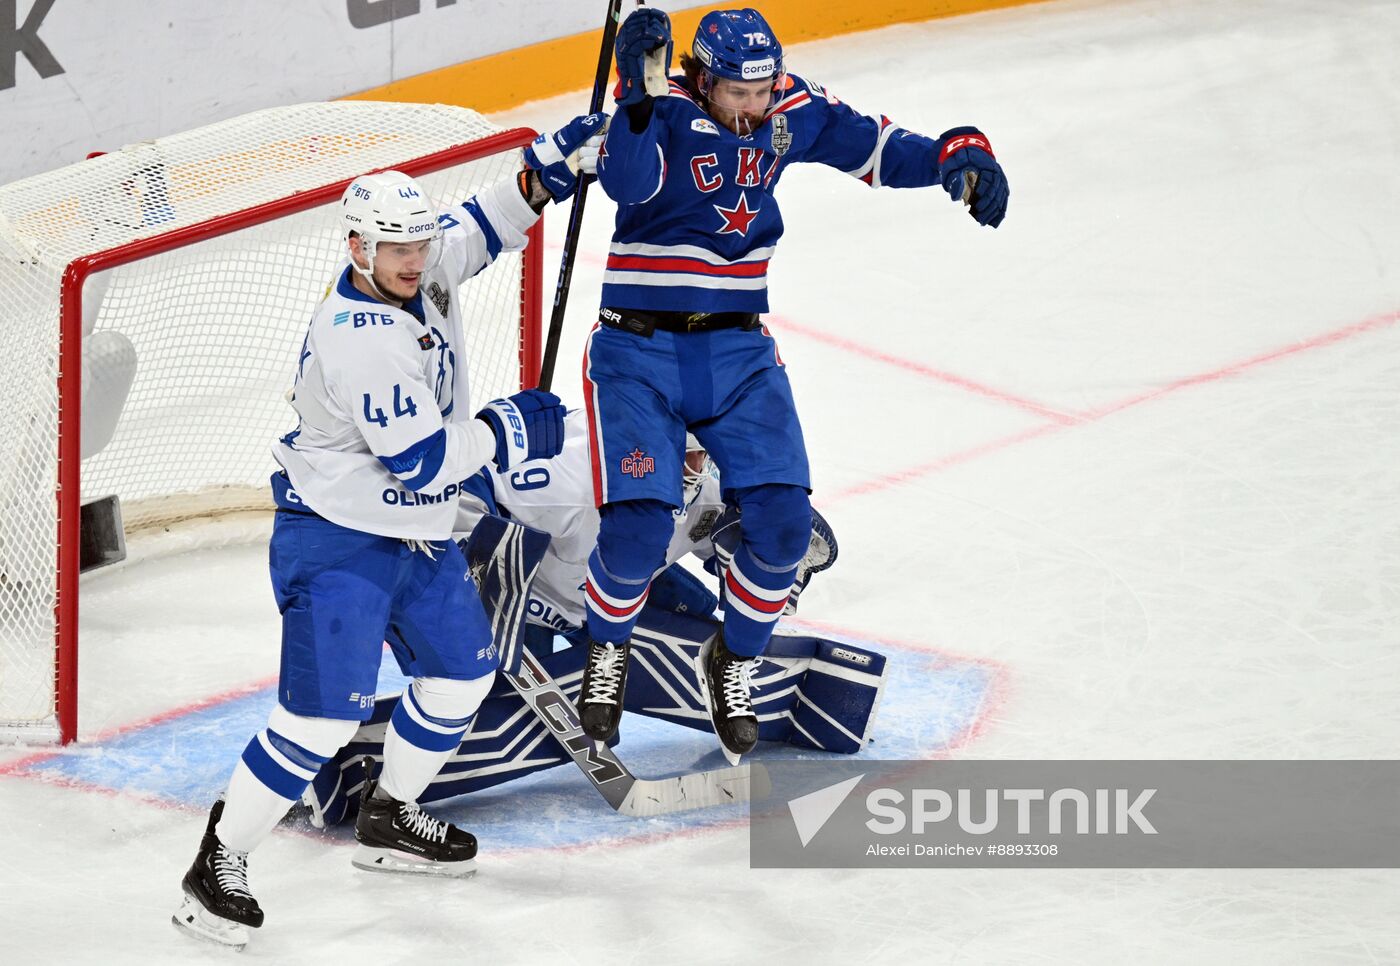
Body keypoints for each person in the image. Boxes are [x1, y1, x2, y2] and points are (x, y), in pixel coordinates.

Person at [171, 113, 606, 950]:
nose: (413, 260)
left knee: (460, 676)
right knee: (317, 723)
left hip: (416, 537)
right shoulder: (359, 340)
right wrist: (507, 430)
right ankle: (216, 864)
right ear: (356, 247)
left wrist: (545, 171)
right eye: (394, 249)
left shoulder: (417, 264)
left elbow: (482, 224)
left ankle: (390, 815)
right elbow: (423, 462)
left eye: (417, 244)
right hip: (338, 541)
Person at [576, 6, 1009, 759]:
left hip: (738, 353)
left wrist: (956, 152)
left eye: (762, 92)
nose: (752, 108)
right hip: (638, 352)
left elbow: (876, 148)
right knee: (638, 531)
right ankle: (607, 649)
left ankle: (733, 659)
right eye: (737, 94)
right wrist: (635, 103)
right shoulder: (664, 110)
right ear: (702, 79)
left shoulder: (791, 109)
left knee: (783, 530)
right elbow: (627, 184)